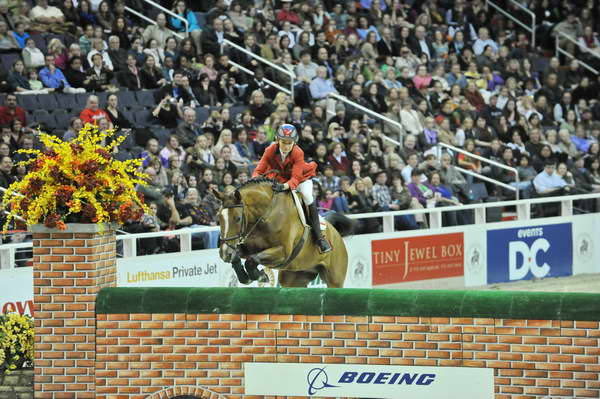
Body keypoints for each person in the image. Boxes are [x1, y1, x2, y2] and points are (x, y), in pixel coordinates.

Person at [253, 124, 331, 253]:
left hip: (301, 179)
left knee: (307, 196)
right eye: (283, 142)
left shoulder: (297, 152)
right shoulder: (270, 149)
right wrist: (256, 180)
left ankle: (319, 238)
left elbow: (295, 179)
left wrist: (283, 186)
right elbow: (259, 170)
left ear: (294, 142)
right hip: (280, 178)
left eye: (290, 143)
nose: (286, 146)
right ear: (278, 139)